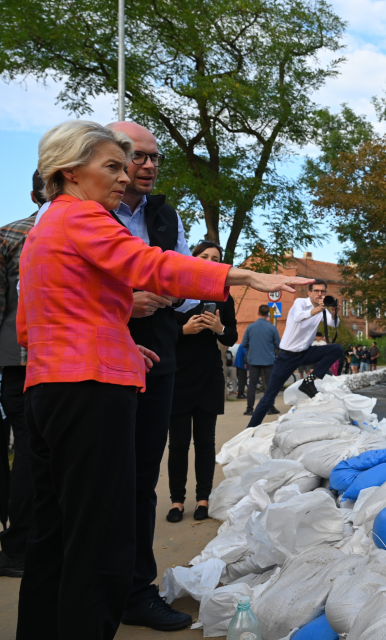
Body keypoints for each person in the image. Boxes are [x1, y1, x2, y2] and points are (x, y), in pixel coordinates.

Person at [15, 119, 312, 640]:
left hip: (50, 388)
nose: (124, 178)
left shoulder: (45, 229)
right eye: (111, 166)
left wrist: (116, 336)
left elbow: (36, 321)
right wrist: (244, 276)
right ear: (69, 171)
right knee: (101, 537)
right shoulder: (83, 218)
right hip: (91, 392)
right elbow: (149, 264)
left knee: (56, 533)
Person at [166, 241, 238, 524]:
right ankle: (176, 500)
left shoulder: (223, 296)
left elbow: (230, 337)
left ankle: (203, 498)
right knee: (178, 443)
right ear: (192, 259)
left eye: (215, 258)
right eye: (204, 256)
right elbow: (158, 333)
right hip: (178, 377)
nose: (210, 260)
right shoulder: (175, 292)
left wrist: (219, 328)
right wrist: (183, 330)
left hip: (209, 376)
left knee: (206, 442)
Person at [0, 171, 43, 578]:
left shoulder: (11, 234)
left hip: (37, 362)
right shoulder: (12, 235)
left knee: (37, 453)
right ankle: (18, 548)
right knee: (32, 453)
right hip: (24, 364)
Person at [247, 280, 343, 428]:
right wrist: (318, 310)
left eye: (322, 291)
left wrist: (335, 312)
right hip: (287, 356)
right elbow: (299, 317)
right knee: (269, 395)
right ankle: (250, 429)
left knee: (337, 349)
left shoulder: (323, 308)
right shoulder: (300, 303)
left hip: (305, 352)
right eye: (316, 291)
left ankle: (309, 381)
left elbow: (334, 324)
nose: (320, 294)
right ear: (310, 293)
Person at [241, 305, 281, 417]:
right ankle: (270, 407)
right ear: (268, 314)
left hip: (253, 360)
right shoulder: (272, 328)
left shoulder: (250, 327)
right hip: (269, 360)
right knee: (269, 385)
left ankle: (249, 409)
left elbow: (244, 344)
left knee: (252, 385)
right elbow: (278, 344)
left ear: (258, 312)